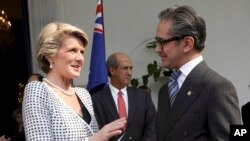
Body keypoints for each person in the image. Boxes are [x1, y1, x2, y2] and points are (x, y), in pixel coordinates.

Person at [22, 22, 126, 141]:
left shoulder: (83, 94)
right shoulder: (37, 90)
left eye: (81, 52)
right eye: (72, 50)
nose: (80, 58)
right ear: (49, 55)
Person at [154, 5, 241, 141]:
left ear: (187, 43)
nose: (157, 49)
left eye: (162, 42)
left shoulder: (218, 87)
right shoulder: (165, 91)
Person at [92, 52, 157, 141]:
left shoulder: (143, 96)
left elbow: (152, 125)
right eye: (125, 68)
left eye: (131, 68)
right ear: (112, 70)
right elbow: (95, 131)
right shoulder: (96, 99)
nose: (129, 73)